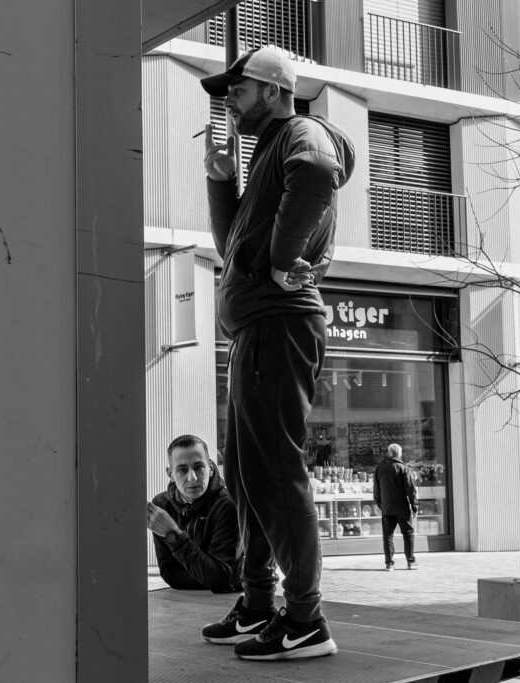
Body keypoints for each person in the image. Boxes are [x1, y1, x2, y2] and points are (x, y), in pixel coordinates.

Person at [196, 45, 355, 661]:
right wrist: (221, 181)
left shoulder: (301, 132)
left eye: (237, 91)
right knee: (243, 472)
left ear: (272, 90)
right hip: (256, 328)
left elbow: (316, 173)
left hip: (278, 323)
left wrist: (286, 258)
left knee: (274, 473)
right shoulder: (267, 148)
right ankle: (260, 603)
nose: (228, 102)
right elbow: (232, 246)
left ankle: (307, 619)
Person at [147, 435, 243, 593]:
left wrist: (173, 535)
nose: (192, 477)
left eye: (198, 467)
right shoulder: (162, 506)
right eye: (182, 469)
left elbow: (220, 578)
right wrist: (211, 575)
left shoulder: (228, 505)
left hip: (226, 604)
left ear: (211, 468)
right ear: (170, 474)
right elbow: (170, 575)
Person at [373, 443, 419, 571]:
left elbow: (376, 491)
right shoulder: (403, 468)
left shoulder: (380, 468)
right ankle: (410, 561)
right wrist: (414, 505)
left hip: (387, 508)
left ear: (389, 453)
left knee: (388, 536)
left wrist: (380, 505)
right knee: (408, 533)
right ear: (399, 454)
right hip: (402, 508)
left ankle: (389, 564)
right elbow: (411, 489)